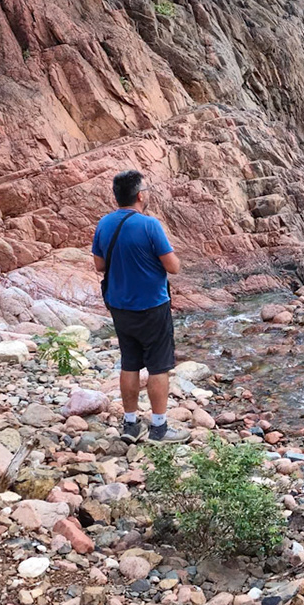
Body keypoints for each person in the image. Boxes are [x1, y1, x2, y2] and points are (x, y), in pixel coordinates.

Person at [91, 170, 189, 443]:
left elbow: (99, 265)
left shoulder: (104, 224)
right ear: (139, 195)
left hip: (120, 306)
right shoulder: (150, 225)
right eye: (146, 189)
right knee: (158, 366)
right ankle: (159, 428)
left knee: (130, 363)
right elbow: (174, 267)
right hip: (152, 306)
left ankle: (131, 424)